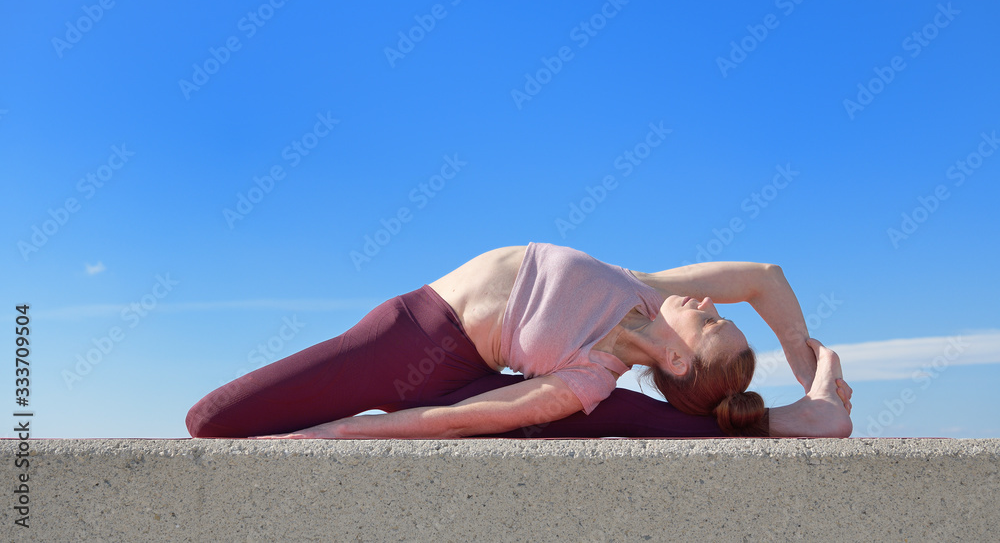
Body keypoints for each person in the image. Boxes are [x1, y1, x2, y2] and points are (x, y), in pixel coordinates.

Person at [185, 243, 853, 440]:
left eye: (710, 320)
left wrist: (335, 435)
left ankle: (794, 422)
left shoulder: (591, 377)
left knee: (607, 414)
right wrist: (805, 363)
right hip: (404, 335)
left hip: (456, 387)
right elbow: (765, 278)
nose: (709, 303)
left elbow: (456, 418)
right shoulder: (644, 286)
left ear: (677, 358)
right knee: (211, 420)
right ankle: (804, 413)